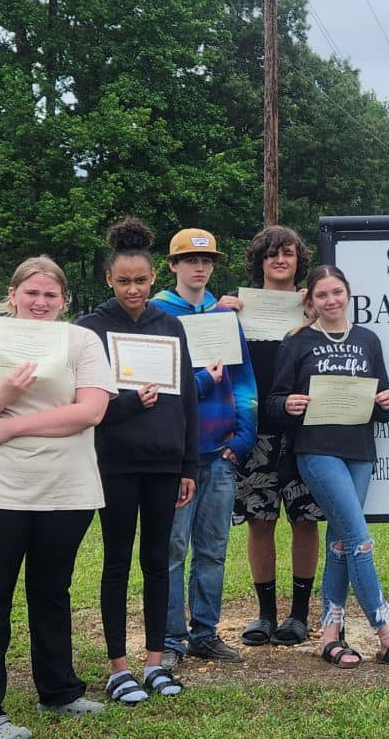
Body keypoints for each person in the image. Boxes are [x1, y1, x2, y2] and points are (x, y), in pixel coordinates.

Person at [0, 257, 115, 739]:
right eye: (31, 293)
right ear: (13, 295)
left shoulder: (81, 341)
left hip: (67, 488)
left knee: (52, 591)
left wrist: (13, 423)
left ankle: (59, 691)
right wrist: (6, 394)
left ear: (64, 301)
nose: (40, 302)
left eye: (50, 295)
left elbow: (92, 409)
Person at [267, 264, 389, 668]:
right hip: (317, 451)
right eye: (322, 295)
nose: (330, 301)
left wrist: (387, 405)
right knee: (358, 537)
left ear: (348, 294)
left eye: (337, 292)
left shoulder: (367, 340)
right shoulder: (297, 342)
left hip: (359, 452)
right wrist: (287, 405)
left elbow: (382, 406)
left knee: (341, 541)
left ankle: (329, 634)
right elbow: (274, 404)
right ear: (310, 301)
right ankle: (387, 633)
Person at [77, 218, 198, 704]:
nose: (133, 289)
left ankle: (154, 662)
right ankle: (117, 667)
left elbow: (186, 397)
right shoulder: (89, 330)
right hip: (114, 464)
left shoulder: (169, 326)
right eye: (123, 280)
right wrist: (127, 402)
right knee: (117, 561)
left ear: (154, 281)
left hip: (165, 464)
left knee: (158, 561)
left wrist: (189, 465)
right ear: (108, 279)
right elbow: (83, 403)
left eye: (141, 280)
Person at [152, 228, 258, 667]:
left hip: (221, 453)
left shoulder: (225, 316)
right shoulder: (158, 314)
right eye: (191, 261)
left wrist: (244, 436)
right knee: (173, 549)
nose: (200, 268)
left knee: (213, 548)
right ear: (173, 265)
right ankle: (172, 639)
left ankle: (205, 633)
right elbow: (159, 385)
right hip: (179, 457)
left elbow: (245, 380)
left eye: (208, 261)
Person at [218, 226, 320, 648]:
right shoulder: (234, 309)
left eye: (289, 254)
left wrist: (315, 316)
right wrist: (216, 313)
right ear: (258, 262)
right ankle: (264, 614)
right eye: (271, 254)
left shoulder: (312, 309)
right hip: (255, 431)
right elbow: (210, 355)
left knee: (305, 520)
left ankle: (298, 616)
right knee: (260, 522)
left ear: (299, 261)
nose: (280, 260)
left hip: (304, 432)